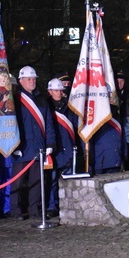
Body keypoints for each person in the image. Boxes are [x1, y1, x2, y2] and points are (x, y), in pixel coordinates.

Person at [12, 66, 55, 221]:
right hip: (22, 147)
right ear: (21, 80)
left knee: (37, 181)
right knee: (18, 182)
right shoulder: (15, 100)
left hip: (38, 146)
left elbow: (48, 122)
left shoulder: (41, 99)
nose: (32, 81)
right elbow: (11, 124)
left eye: (34, 78)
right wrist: (14, 145)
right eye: (29, 79)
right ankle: (16, 210)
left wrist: (50, 142)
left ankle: (34, 209)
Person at [45, 78, 81, 217]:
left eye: (60, 90)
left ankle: (69, 204)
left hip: (68, 146)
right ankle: (51, 205)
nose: (59, 93)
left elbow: (75, 125)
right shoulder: (46, 106)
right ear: (50, 91)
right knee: (52, 180)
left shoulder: (69, 106)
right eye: (56, 90)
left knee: (69, 179)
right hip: (55, 148)